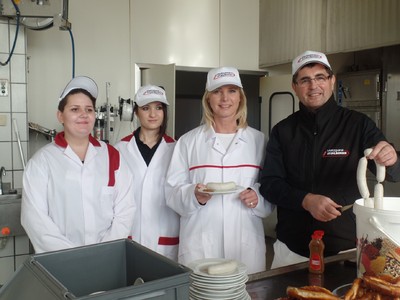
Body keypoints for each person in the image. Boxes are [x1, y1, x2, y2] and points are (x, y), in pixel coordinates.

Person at [259, 50, 400, 268]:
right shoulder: (283, 131)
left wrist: (391, 157)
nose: (313, 86)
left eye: (320, 78)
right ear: (295, 87)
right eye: (305, 80)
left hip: (347, 251)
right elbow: (269, 184)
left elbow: (393, 172)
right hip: (293, 251)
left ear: (332, 81)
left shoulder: (358, 125)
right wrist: (305, 200)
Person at [165, 66, 273, 274]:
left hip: (246, 244)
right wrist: (195, 196)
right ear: (208, 99)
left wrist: (257, 198)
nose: (225, 98)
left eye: (232, 91)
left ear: (240, 97)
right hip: (200, 246)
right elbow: (171, 192)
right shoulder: (188, 142)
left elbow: (271, 190)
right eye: (217, 92)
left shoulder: (259, 141)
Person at [21, 76, 135, 253]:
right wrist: (71, 256)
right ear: (60, 116)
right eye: (75, 109)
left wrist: (103, 250)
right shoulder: (42, 162)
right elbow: (34, 219)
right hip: (60, 261)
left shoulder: (112, 156)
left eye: (89, 109)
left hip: (106, 257)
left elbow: (125, 210)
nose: (83, 114)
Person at [115, 85, 179, 261]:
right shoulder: (119, 150)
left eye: (158, 108)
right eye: (146, 108)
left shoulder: (177, 149)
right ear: (136, 112)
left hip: (166, 236)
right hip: (131, 233)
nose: (153, 114)